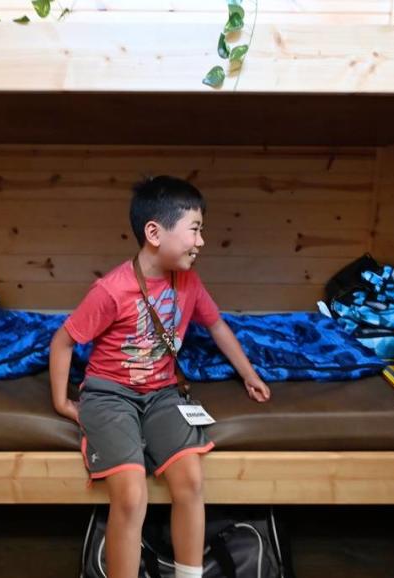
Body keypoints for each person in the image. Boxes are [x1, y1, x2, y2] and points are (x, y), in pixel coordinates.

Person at [49, 175, 272, 578]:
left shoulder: (188, 281)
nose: (201, 241)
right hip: (110, 394)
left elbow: (218, 326)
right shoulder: (111, 290)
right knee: (132, 495)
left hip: (163, 393)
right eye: (195, 229)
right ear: (154, 232)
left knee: (190, 480)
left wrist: (250, 374)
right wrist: (62, 403)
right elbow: (62, 341)